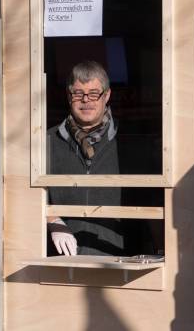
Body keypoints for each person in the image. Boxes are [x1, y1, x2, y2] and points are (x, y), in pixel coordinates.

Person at [46, 60, 123, 256]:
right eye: (78, 93)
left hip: (120, 260)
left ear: (107, 96)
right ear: (68, 96)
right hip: (59, 261)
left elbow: (151, 199)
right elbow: (23, 193)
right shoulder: (46, 141)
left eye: (94, 93)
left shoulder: (128, 142)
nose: (86, 100)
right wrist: (52, 220)